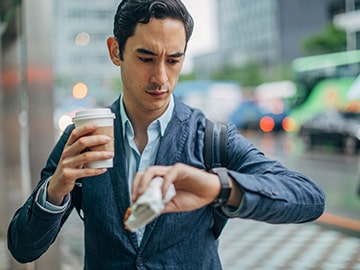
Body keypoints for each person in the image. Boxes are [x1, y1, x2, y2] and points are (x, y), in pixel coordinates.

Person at [7, 0, 325, 269]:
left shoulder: (211, 137)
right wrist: (56, 189)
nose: (161, 77)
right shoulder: (85, 137)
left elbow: (308, 198)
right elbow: (22, 248)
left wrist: (218, 187)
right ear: (115, 50)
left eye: (174, 60)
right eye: (146, 58)